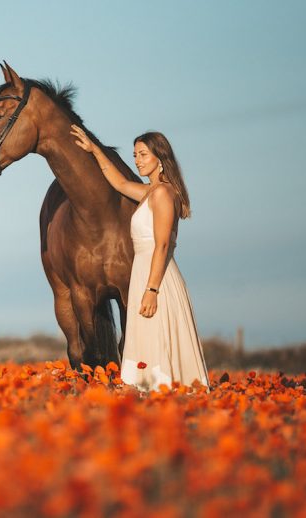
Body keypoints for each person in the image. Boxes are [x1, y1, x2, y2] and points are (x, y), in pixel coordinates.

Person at [70, 125, 209, 392]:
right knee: (147, 342)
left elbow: (162, 243)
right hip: (144, 276)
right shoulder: (150, 192)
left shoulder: (162, 193)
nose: (137, 160)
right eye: (135, 155)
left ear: (160, 158)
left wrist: (152, 289)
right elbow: (119, 183)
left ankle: (166, 396)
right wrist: (95, 150)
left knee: (159, 341)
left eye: (143, 154)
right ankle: (151, 397)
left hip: (157, 278)